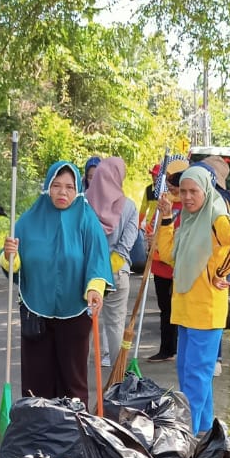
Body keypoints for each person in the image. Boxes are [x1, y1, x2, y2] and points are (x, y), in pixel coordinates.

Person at [3, 161, 112, 407]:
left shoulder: (86, 219)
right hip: (36, 310)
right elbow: (13, 267)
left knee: (73, 377)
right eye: (57, 186)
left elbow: (97, 259)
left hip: (75, 310)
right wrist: (10, 255)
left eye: (69, 187)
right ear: (47, 187)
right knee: (36, 378)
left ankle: (73, 429)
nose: (63, 192)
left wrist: (95, 287)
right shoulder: (27, 222)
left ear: (77, 190)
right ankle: (37, 428)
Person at [154, 165, 230, 431]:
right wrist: (164, 220)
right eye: (182, 191)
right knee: (191, 378)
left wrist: (221, 271)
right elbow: (168, 254)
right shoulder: (188, 218)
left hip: (205, 312)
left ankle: (190, 437)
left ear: (206, 190)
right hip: (185, 308)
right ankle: (205, 434)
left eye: (193, 191)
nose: (186, 197)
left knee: (194, 381)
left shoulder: (217, 217)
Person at [84, 157, 139, 370]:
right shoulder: (129, 207)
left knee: (85, 325)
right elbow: (126, 245)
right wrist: (110, 268)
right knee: (115, 326)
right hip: (117, 273)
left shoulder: (83, 204)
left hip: (88, 275)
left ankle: (77, 376)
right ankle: (117, 381)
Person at [146, 157, 188, 361]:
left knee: (176, 309)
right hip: (158, 264)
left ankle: (174, 349)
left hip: (175, 266)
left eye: (174, 186)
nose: (171, 190)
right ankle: (167, 349)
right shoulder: (165, 202)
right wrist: (150, 235)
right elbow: (153, 224)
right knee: (165, 309)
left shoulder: (189, 207)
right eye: (169, 185)